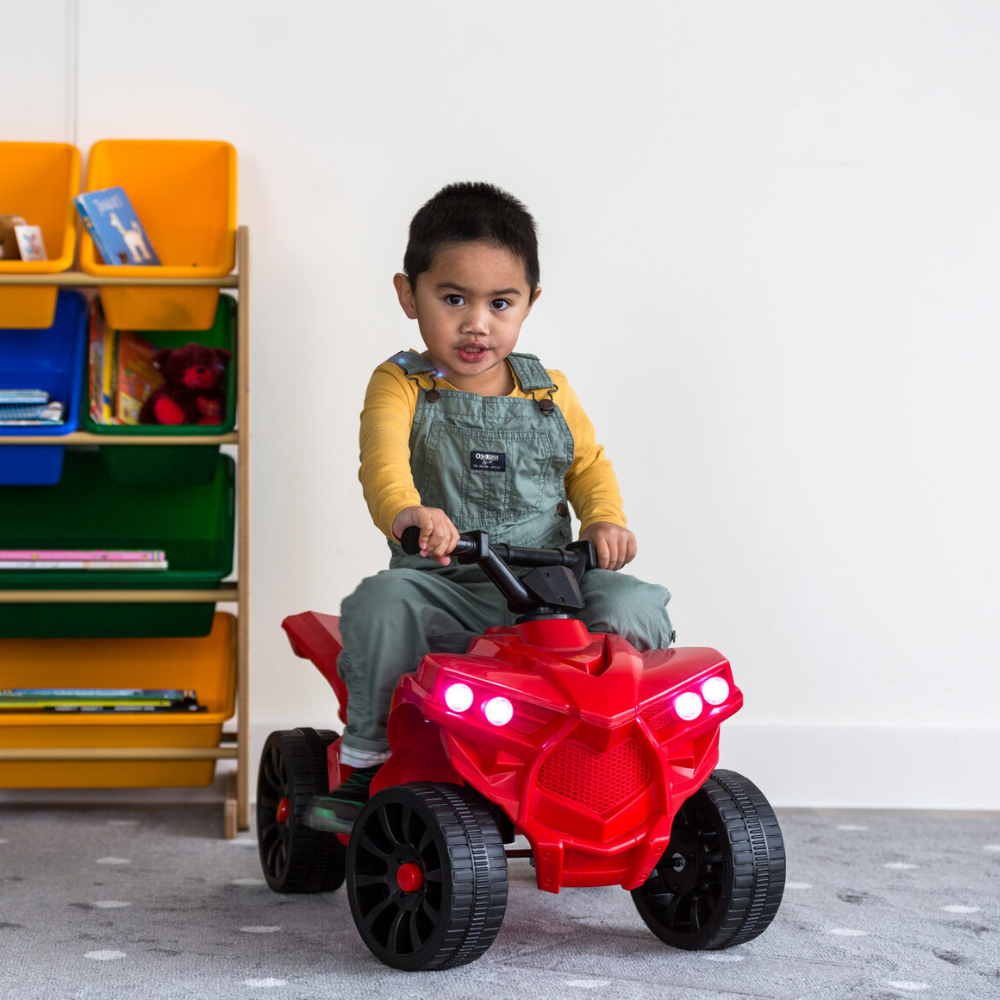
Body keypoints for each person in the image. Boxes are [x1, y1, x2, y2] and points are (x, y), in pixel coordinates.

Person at [333, 182, 675, 803]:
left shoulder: (548, 391)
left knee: (636, 605)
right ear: (409, 295)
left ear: (530, 303)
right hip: (448, 582)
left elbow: (588, 464)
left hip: (551, 588)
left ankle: (623, 747)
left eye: (500, 303)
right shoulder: (401, 384)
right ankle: (367, 762)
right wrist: (408, 512)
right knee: (379, 604)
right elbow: (381, 462)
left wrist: (603, 520)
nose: (476, 323)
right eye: (454, 298)